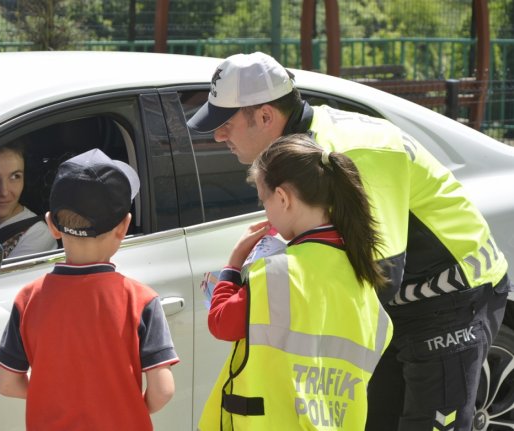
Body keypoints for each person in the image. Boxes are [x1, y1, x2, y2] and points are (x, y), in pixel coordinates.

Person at [188, 51, 511, 431]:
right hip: (399, 304)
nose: (219, 134)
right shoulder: (296, 152)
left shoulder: (353, 150)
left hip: (452, 297)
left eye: (225, 122)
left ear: (264, 116)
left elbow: (382, 272)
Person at [197, 134, 393, 430]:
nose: (266, 212)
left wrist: (234, 264)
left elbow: (221, 322)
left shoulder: (277, 273)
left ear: (283, 198)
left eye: (265, 201)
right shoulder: (362, 278)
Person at [0, 148, 179, 430]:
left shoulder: (28, 299)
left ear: (52, 226)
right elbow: (163, 390)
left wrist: (55, 398)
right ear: (123, 227)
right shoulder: (140, 300)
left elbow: (6, 383)